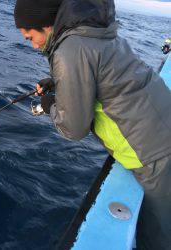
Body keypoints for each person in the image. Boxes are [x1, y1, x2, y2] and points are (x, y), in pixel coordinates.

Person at [13, 0, 171, 249]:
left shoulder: (68, 51)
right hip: (163, 123)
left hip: (153, 151)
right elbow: (103, 72)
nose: (33, 45)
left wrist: (49, 104)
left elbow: (73, 128)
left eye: (29, 37)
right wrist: (60, 82)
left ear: (46, 25)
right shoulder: (95, 31)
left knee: (158, 237)